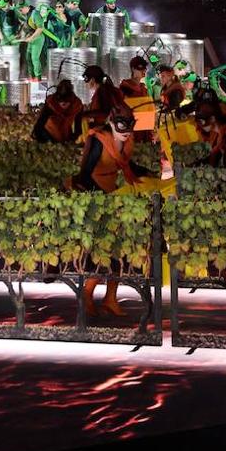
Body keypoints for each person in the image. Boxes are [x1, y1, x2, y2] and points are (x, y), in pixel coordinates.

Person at [69, 108, 151, 316]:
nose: (126, 133)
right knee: (101, 249)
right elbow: (84, 174)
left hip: (112, 193)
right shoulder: (99, 139)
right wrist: (101, 201)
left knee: (119, 249)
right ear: (112, 124)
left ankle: (110, 298)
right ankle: (87, 294)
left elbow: (127, 164)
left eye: (129, 129)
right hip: (94, 193)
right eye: (122, 128)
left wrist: (148, 173)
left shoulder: (125, 140)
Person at [79, 65, 126, 130]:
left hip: (107, 129)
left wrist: (85, 114)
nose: (85, 83)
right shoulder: (105, 89)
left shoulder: (103, 90)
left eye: (86, 80)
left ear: (92, 80)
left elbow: (105, 112)